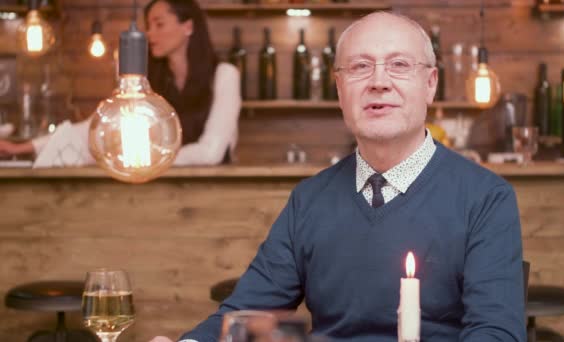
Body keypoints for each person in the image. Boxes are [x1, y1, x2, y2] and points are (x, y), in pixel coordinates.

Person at [151, 12, 525, 342]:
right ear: (339, 88)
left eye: (398, 65)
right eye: (360, 67)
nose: (378, 81)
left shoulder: (486, 198)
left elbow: (496, 332)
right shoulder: (309, 200)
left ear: (430, 84)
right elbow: (246, 310)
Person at [0, 0, 240, 166]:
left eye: (160, 24)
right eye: (148, 26)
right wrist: (23, 148)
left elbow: (212, 151)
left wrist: (148, 161)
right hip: (159, 189)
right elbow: (97, 127)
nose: (151, 34)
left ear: (188, 26)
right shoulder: (146, 82)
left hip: (211, 190)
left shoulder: (224, 75)